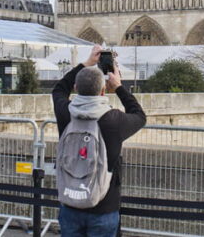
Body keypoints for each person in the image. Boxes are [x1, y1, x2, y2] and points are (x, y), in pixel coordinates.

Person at [52, 45, 146, 237]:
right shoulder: (113, 119)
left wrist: (87, 63)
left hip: (70, 203)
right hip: (104, 207)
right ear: (104, 91)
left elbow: (59, 89)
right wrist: (119, 86)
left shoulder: (66, 113)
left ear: (76, 89)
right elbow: (139, 115)